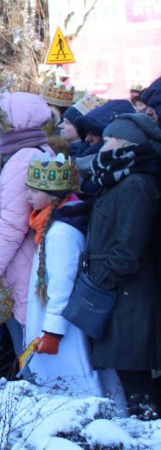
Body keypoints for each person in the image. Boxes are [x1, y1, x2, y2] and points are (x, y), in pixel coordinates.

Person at [81, 114, 161, 414]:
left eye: (108, 140)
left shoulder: (136, 184)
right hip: (121, 293)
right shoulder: (119, 178)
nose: (102, 147)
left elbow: (128, 249)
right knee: (129, 377)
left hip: (130, 296)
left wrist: (99, 282)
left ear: (126, 144)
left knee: (137, 384)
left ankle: (150, 447)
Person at [0, 91, 54, 358]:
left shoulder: (21, 159)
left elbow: (11, 227)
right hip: (28, 262)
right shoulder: (40, 150)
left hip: (22, 265)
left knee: (28, 349)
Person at [21, 153, 101, 396]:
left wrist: (52, 332)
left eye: (34, 191)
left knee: (71, 384)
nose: (28, 197)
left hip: (60, 329)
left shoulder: (59, 234)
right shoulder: (49, 226)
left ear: (53, 195)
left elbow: (61, 287)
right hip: (54, 323)